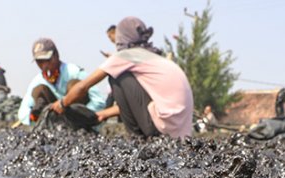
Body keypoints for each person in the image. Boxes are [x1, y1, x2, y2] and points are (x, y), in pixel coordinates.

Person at [52, 17, 194, 139]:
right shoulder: (153, 57)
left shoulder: (127, 55)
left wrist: (62, 103)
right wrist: (104, 113)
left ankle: (137, 138)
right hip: (179, 131)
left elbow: (83, 86)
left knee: (117, 77)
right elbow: (139, 102)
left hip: (162, 128)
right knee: (124, 76)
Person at [18, 38, 107, 128]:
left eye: (48, 60)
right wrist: (34, 119)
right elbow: (23, 111)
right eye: (40, 62)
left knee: (74, 85)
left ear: (56, 56)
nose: (44, 65)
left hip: (78, 119)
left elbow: (98, 101)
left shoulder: (74, 72)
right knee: (39, 89)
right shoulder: (38, 80)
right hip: (55, 121)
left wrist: (87, 115)